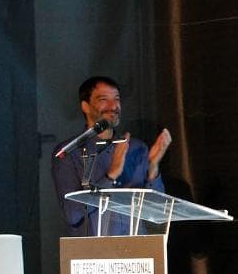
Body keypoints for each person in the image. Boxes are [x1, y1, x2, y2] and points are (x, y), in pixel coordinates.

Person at [51, 76, 172, 236]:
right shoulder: (69, 152)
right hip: (93, 255)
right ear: (85, 106)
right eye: (103, 99)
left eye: (117, 99)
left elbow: (158, 213)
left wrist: (153, 167)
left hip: (138, 253)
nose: (113, 106)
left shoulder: (136, 148)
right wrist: (110, 176)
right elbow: (73, 215)